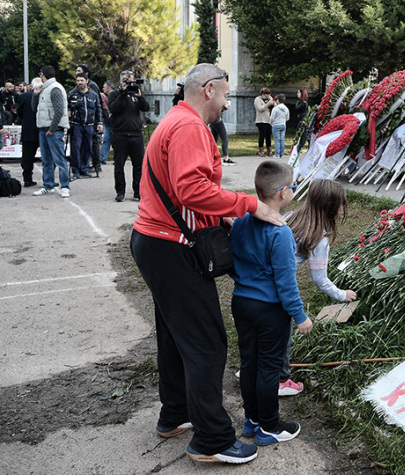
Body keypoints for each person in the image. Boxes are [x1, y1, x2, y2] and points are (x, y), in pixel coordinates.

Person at [130, 63, 284, 465]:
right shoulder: (190, 126)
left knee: (175, 336)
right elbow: (191, 189)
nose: (228, 104)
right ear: (209, 90)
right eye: (227, 96)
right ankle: (212, 439)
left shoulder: (175, 120)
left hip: (154, 241)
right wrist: (248, 204)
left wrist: (220, 215)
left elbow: (184, 189)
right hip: (171, 247)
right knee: (207, 342)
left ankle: (175, 414)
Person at [230, 160, 313, 445]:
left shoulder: (241, 222)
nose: (293, 191)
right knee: (268, 368)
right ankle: (269, 427)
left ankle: (252, 420)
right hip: (269, 311)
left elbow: (234, 261)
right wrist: (300, 316)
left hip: (241, 302)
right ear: (282, 193)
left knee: (249, 363)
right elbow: (286, 283)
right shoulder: (280, 231)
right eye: (293, 186)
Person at [275, 178, 356, 395]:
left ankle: (251, 369)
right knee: (282, 336)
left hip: (262, 281)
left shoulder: (291, 217)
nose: (342, 208)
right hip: (281, 289)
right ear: (331, 206)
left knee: (263, 331)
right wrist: (342, 295)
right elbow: (320, 279)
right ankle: (281, 380)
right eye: (341, 204)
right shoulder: (319, 237)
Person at [108, 70, 148, 202]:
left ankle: (138, 191)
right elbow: (113, 109)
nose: (129, 83)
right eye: (126, 81)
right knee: (119, 165)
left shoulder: (135, 93)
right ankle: (120, 192)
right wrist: (122, 94)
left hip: (136, 134)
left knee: (138, 165)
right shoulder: (114, 94)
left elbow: (146, 108)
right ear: (120, 81)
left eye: (130, 81)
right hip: (120, 134)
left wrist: (140, 97)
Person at [32, 66, 71, 198]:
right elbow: (35, 108)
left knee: (59, 159)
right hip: (44, 128)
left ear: (42, 75)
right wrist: (35, 95)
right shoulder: (44, 89)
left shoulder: (55, 88)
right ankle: (48, 185)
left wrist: (52, 129)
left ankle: (65, 186)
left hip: (53, 130)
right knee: (46, 160)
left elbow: (59, 110)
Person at [67, 74, 103, 179]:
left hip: (89, 125)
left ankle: (84, 168)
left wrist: (100, 122)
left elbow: (98, 109)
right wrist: (69, 113)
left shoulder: (93, 95)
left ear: (87, 81)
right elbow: (67, 107)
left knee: (87, 147)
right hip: (76, 125)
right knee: (76, 148)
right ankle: (75, 170)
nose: (79, 83)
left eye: (81, 80)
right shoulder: (72, 94)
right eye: (78, 80)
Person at [75, 64, 103, 174]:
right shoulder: (74, 92)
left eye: (79, 71)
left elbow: (97, 105)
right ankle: (78, 168)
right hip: (78, 123)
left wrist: (98, 121)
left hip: (91, 122)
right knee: (78, 146)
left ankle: (95, 165)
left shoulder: (92, 88)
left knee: (92, 144)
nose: (77, 73)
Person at [16, 78, 40, 187]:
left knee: (27, 157)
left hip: (28, 129)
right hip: (41, 129)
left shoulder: (23, 97)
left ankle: (27, 179)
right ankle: (48, 179)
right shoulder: (44, 95)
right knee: (47, 156)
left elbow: (19, 112)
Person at [253, 88, 275, 157]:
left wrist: (273, 103)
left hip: (269, 120)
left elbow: (275, 106)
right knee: (262, 136)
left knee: (268, 136)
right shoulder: (257, 99)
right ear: (262, 94)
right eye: (265, 95)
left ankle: (269, 150)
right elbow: (260, 108)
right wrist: (267, 104)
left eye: (268, 95)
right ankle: (261, 150)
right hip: (261, 120)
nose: (267, 97)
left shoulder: (270, 98)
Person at [269, 94, 289, 158]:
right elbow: (287, 118)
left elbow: (272, 118)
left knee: (277, 140)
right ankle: (281, 153)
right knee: (282, 139)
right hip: (283, 124)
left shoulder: (275, 109)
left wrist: (271, 123)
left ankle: (277, 154)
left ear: (277, 101)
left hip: (276, 125)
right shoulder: (286, 109)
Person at [100, 82, 114, 165]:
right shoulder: (105, 97)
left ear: (109, 87)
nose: (103, 88)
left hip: (113, 122)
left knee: (114, 141)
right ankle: (102, 158)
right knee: (106, 140)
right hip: (107, 122)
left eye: (104, 87)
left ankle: (117, 158)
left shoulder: (114, 96)